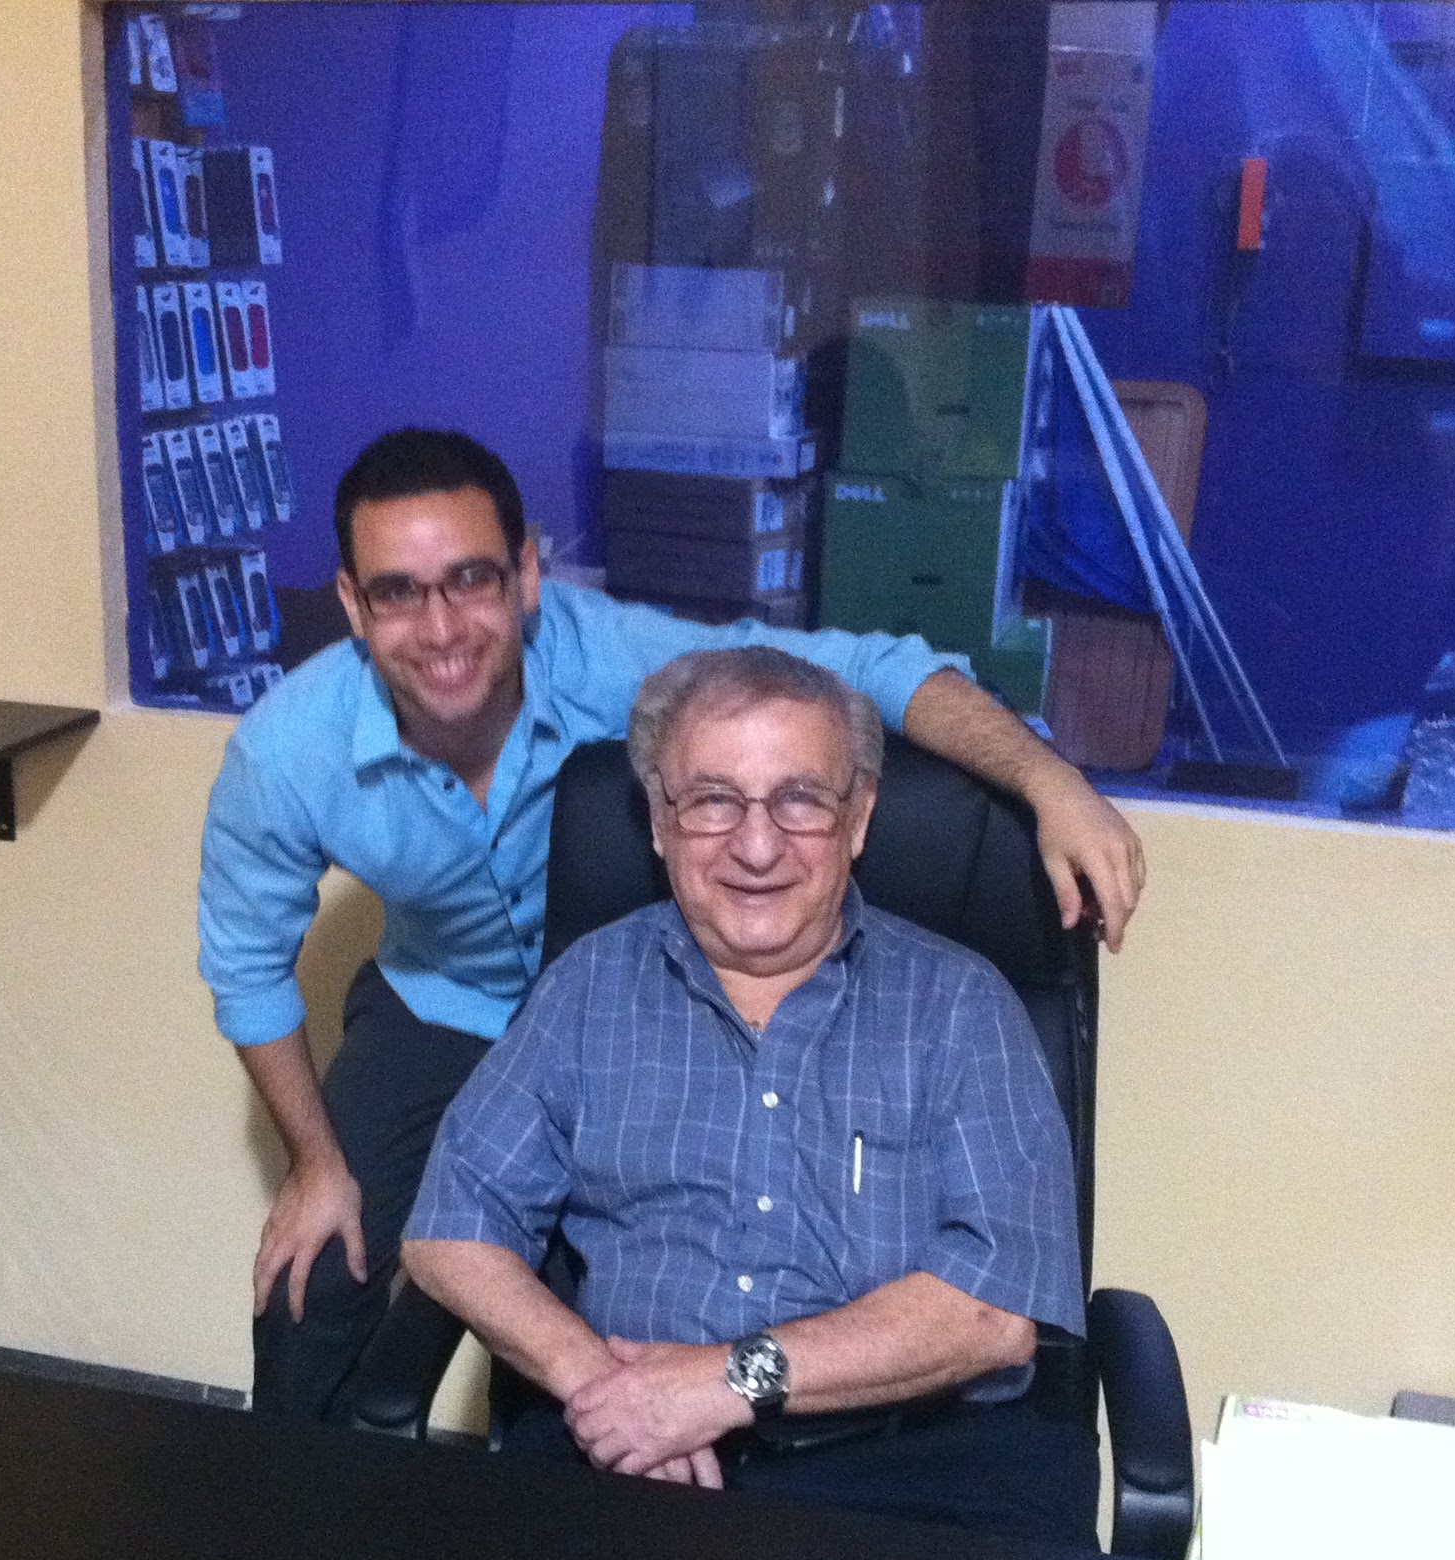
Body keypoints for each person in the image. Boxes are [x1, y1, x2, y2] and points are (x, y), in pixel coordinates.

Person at [199, 427, 1138, 1422]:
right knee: (317, 1276)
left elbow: (862, 669)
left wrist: (1049, 778)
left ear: (527, 575)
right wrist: (315, 1163)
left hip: (639, 1002)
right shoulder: (285, 752)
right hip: (445, 998)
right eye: (397, 591)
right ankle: (303, 1548)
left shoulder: (618, 663)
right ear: (351, 603)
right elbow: (250, 968)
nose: (439, 629)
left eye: (471, 579)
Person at [399, 646, 1092, 1538]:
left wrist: (724, 1383)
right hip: (628, 1455)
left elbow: (993, 1313)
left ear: (859, 819)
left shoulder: (959, 1005)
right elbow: (450, 1226)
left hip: (915, 1476)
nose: (756, 847)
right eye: (714, 800)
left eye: (800, 799)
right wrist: (601, 1384)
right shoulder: (588, 988)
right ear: (659, 820)